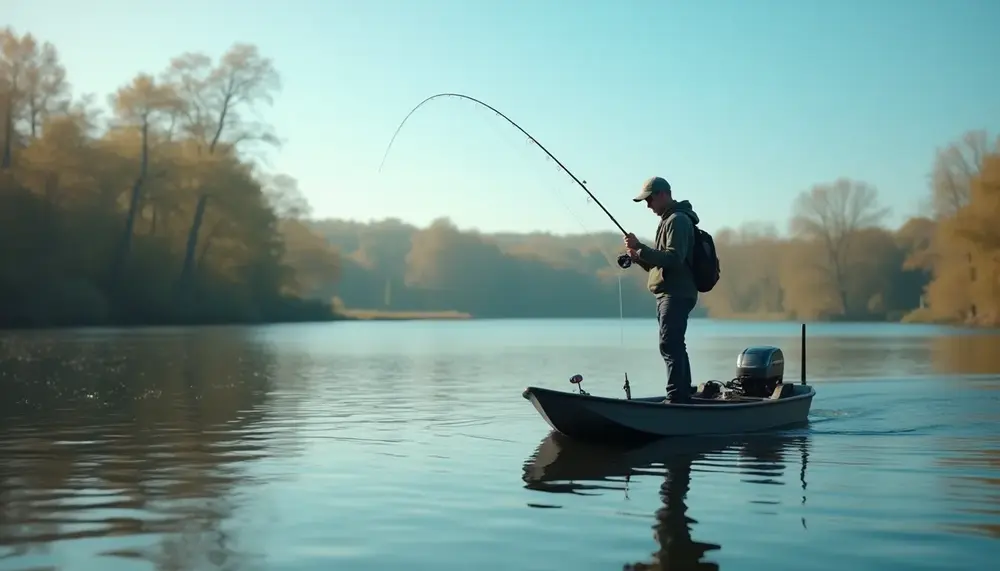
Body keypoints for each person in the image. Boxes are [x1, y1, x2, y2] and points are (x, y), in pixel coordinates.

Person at [623, 176, 700, 403]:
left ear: (663, 194)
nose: (648, 205)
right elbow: (662, 265)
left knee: (670, 343)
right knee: (674, 343)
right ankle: (682, 394)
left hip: (676, 293)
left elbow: (674, 259)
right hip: (670, 292)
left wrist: (641, 247)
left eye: (649, 200)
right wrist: (638, 258)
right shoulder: (668, 221)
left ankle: (677, 398)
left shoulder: (677, 220)